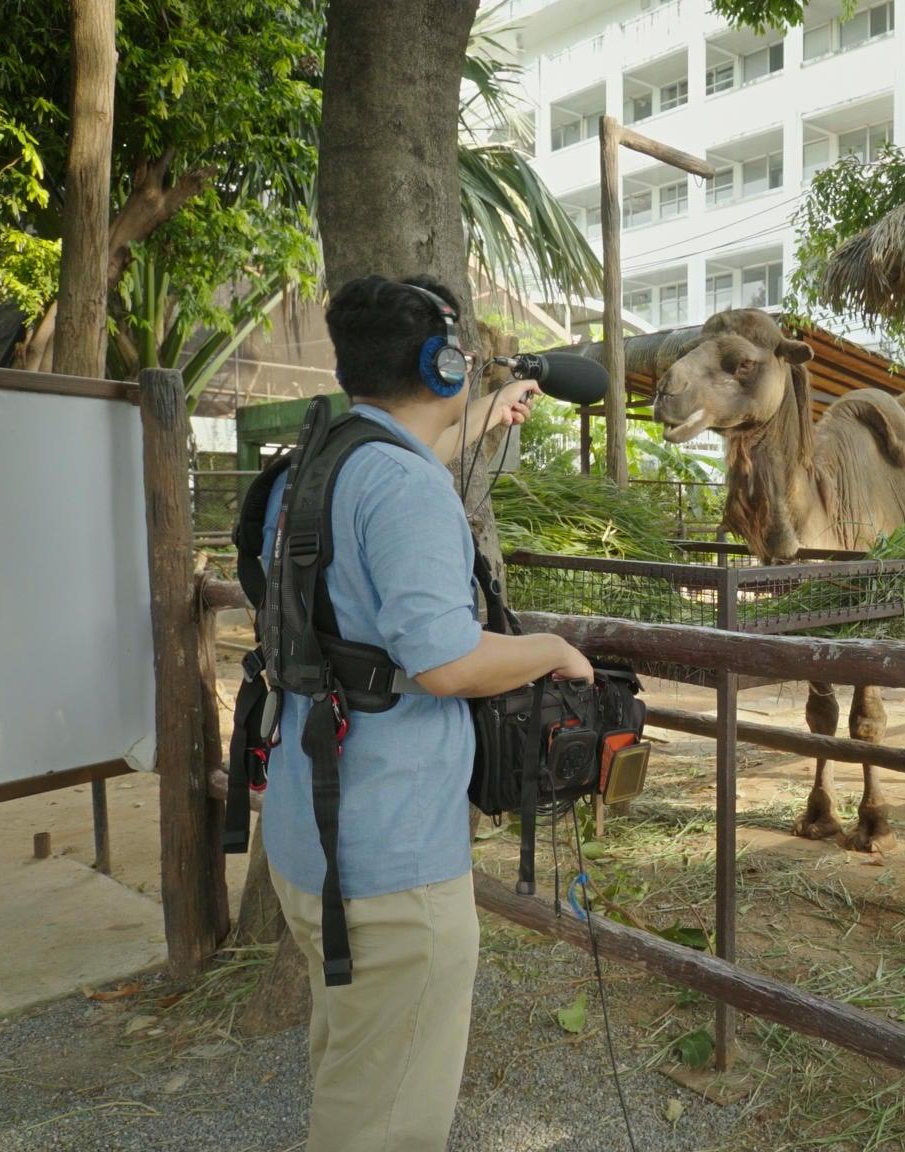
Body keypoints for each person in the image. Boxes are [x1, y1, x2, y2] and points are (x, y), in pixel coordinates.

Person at [258, 275, 593, 1152]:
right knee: (388, 1122)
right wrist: (552, 650)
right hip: (392, 866)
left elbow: (384, 497)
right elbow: (447, 662)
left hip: (312, 842)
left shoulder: (318, 463)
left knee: (355, 1081)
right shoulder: (407, 491)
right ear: (445, 365)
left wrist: (473, 415)